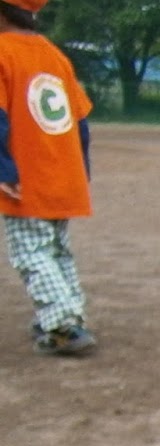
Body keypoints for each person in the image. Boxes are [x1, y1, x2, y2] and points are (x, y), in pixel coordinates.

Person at [0, 0, 95, 357]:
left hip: (27, 176)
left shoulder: (3, 52)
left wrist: (3, 168)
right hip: (63, 172)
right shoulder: (55, 56)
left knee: (31, 253)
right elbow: (81, 123)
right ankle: (66, 313)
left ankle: (63, 327)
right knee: (56, 250)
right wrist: (80, 171)